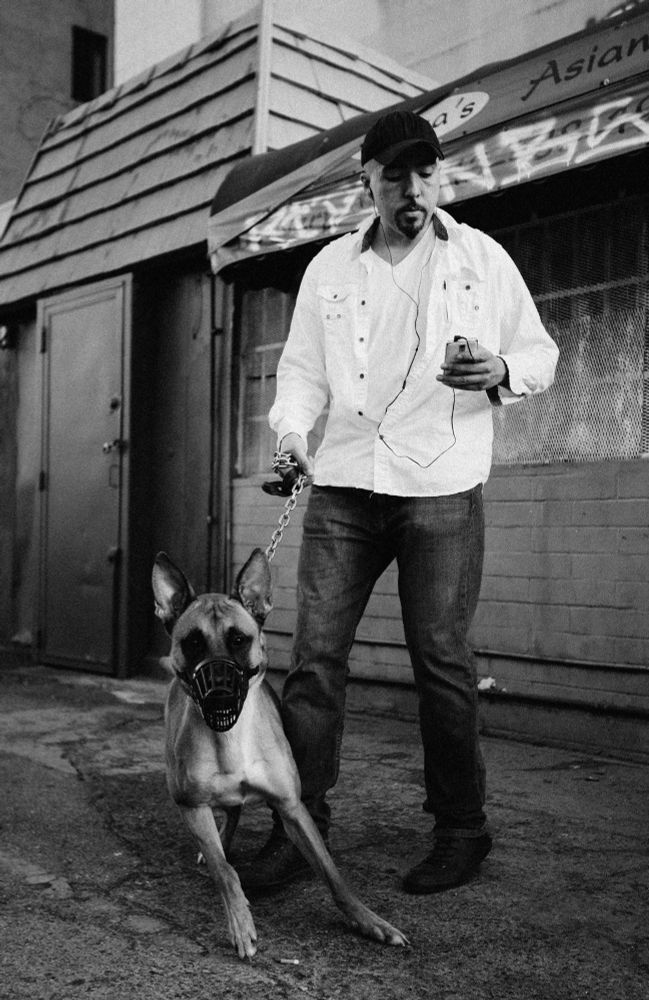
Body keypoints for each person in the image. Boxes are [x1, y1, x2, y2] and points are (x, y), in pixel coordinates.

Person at [243, 109, 559, 895]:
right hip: (346, 487)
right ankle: (299, 827)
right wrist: (290, 437)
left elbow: (539, 353)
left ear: (437, 176)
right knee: (313, 662)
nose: (411, 189)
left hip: (441, 486)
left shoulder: (480, 258)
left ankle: (461, 832)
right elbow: (301, 374)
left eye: (424, 173)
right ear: (368, 179)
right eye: (394, 175)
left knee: (442, 665)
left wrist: (498, 371)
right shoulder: (329, 270)